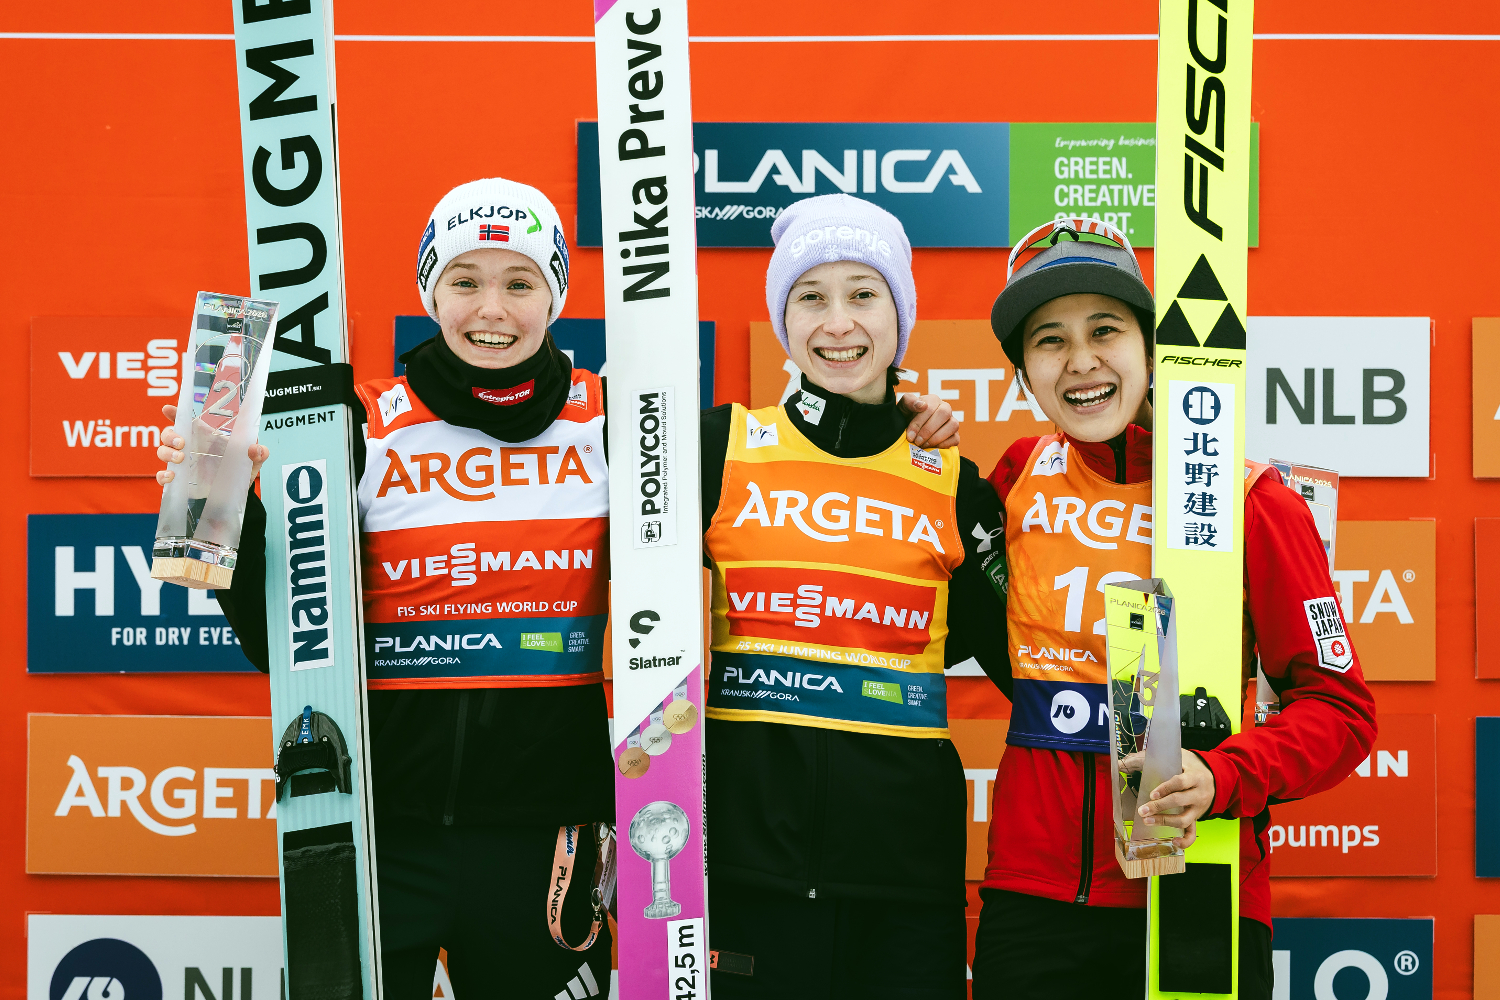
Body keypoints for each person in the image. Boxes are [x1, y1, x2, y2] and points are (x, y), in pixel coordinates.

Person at [158, 178, 959, 999]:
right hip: (381, 831)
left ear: (556, 295)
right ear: (431, 292)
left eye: (520, 282)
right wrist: (219, 505)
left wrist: (902, 417)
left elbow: (803, 483)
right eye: (465, 281)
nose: (492, 310)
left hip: (549, 840)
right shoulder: (361, 426)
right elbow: (283, 642)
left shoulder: (620, 425)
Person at [967, 218, 1379, 1000]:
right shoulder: (1019, 474)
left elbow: (1342, 709)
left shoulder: (1253, 501)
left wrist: (1221, 776)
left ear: (1154, 349)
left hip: (1199, 883)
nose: (1081, 360)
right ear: (1024, 371)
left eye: (1106, 330)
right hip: (1032, 896)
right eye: (1049, 340)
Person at [701, 194, 1008, 1000]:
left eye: (864, 294)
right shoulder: (720, 448)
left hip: (903, 888)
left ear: (900, 316)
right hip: (743, 873)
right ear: (783, 320)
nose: (838, 323)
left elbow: (1029, 657)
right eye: (812, 296)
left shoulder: (956, 487)